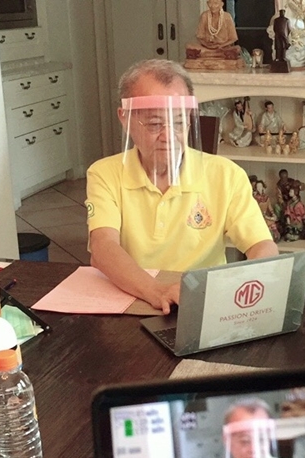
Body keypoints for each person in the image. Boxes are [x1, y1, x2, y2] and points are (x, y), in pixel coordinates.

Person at [85, 59, 278, 314]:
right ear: (126, 119)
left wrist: (241, 290)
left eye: (178, 122)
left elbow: (262, 246)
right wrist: (157, 291)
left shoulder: (226, 175)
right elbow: (103, 248)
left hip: (206, 303)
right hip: (136, 295)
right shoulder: (105, 174)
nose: (169, 136)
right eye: (154, 124)